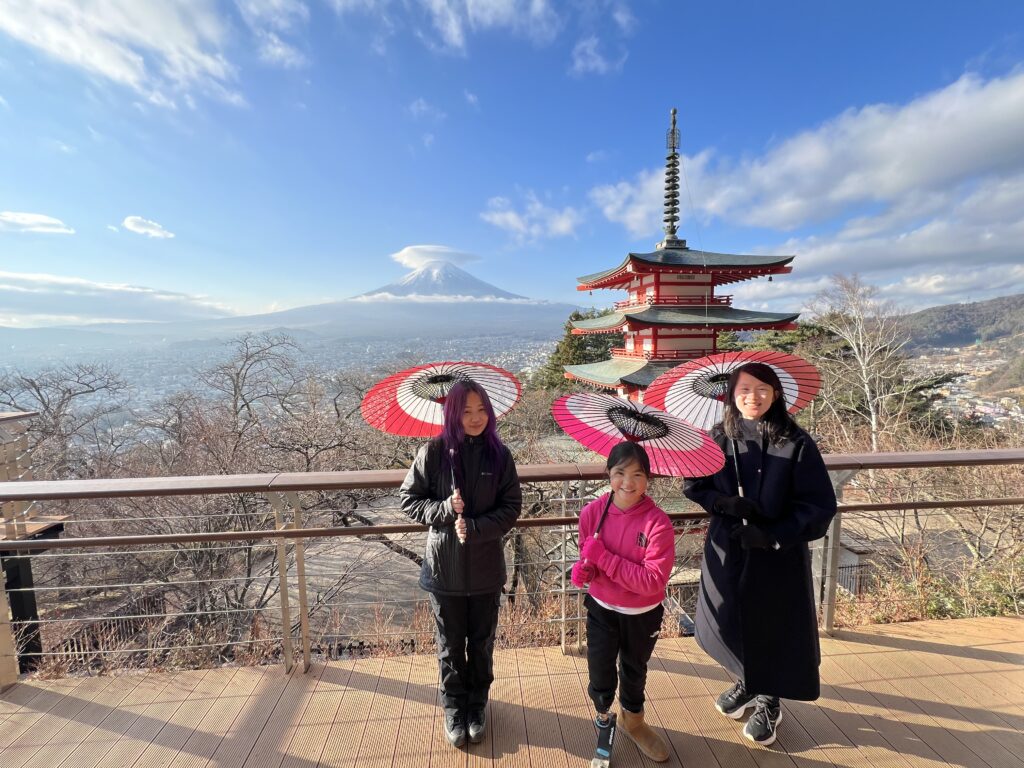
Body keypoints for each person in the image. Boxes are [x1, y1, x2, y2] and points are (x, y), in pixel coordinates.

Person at [683, 362, 837, 747]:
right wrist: (721, 501)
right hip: (727, 546)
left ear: (778, 393)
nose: (753, 397)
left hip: (776, 554)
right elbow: (694, 483)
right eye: (744, 389)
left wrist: (771, 535)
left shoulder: (796, 442)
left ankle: (771, 698)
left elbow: (817, 507)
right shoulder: (718, 437)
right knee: (724, 620)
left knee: (773, 626)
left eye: (763, 388)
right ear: (731, 395)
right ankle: (748, 680)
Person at [399, 380, 522, 748]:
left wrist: (477, 526)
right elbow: (408, 500)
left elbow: (511, 506)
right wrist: (442, 510)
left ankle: (477, 705)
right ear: (452, 413)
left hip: (485, 571)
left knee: (482, 644)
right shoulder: (434, 453)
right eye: (466, 411)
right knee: (450, 646)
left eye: (481, 410)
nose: (475, 418)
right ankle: (454, 707)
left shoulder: (500, 456)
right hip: (444, 572)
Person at [571, 442, 674, 764]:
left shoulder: (658, 523)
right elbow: (587, 558)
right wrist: (584, 568)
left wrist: (604, 558)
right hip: (601, 607)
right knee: (600, 668)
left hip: (642, 614)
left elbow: (652, 581)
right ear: (608, 474)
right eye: (619, 473)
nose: (627, 483)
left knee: (633, 669)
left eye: (637, 475)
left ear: (649, 479)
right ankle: (604, 715)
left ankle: (634, 721)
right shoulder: (592, 513)